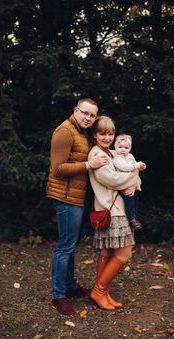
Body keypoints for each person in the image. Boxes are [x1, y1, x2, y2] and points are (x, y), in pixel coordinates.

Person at [46, 98, 109, 315]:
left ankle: (70, 286)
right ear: (75, 110)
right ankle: (58, 296)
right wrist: (89, 165)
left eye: (93, 116)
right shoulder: (65, 131)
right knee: (65, 247)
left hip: (78, 198)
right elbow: (58, 169)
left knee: (71, 245)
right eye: (85, 113)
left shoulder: (82, 131)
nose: (88, 118)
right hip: (66, 198)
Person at [88, 116, 146, 311]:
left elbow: (129, 175)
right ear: (95, 135)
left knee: (108, 251)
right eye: (102, 133)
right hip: (113, 211)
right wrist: (135, 173)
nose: (107, 137)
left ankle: (101, 292)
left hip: (114, 209)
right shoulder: (98, 155)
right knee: (125, 253)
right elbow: (113, 179)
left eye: (110, 134)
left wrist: (134, 183)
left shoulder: (112, 153)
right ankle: (99, 290)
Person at [113, 134, 145, 231]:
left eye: (126, 147)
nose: (123, 150)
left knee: (135, 199)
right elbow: (125, 167)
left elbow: (135, 167)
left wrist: (141, 167)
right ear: (115, 147)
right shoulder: (117, 158)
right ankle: (131, 219)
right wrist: (136, 166)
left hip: (132, 184)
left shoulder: (130, 156)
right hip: (123, 184)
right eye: (120, 147)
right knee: (129, 199)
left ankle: (135, 217)